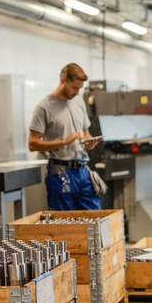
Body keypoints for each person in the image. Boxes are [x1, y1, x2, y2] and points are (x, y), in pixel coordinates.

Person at [28, 63, 102, 210]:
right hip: (60, 173)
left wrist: (89, 143)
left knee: (95, 220)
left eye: (79, 88)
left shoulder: (79, 103)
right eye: (75, 88)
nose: (77, 93)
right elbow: (33, 144)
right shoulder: (43, 108)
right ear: (63, 81)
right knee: (65, 222)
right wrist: (64, 142)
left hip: (83, 171)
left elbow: (85, 132)